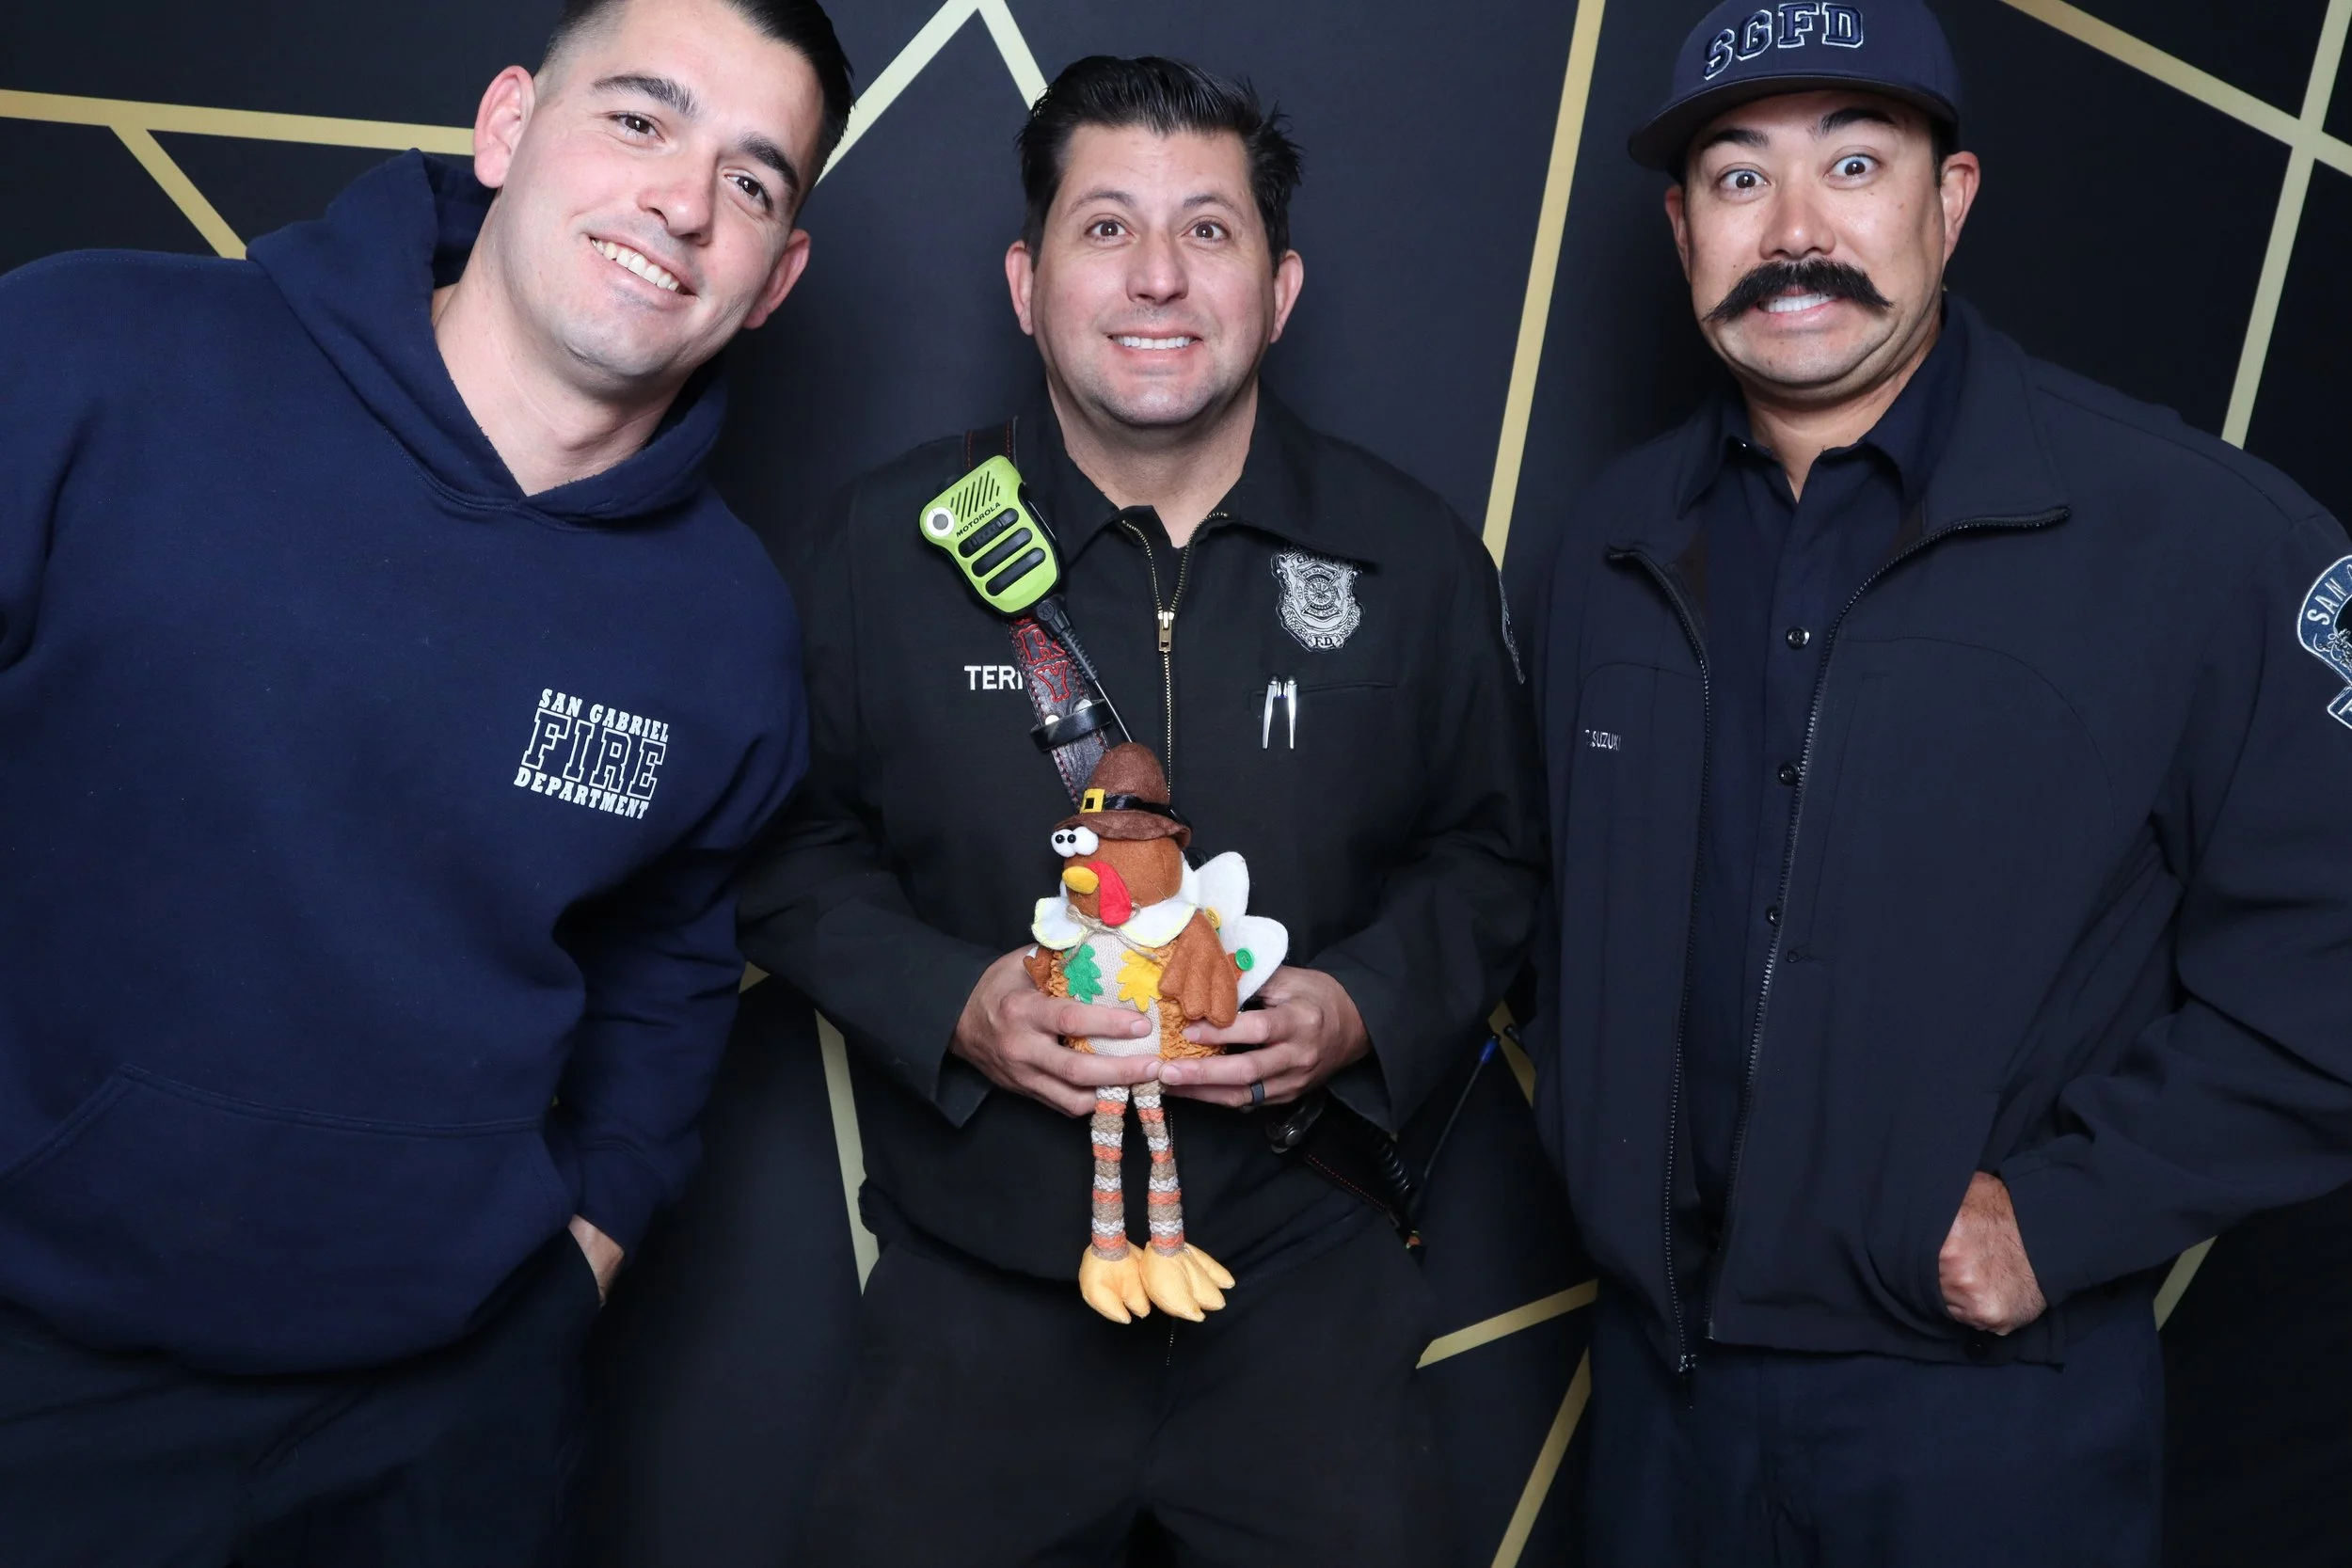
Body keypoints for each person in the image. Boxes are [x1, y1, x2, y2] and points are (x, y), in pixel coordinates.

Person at [0, 0, 846, 1560]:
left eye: (752, 181)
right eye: (642, 120)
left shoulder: (729, 630)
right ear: (510, 126)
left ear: (776, 275)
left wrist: (582, 1252)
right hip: (46, 1375)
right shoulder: (88, 356)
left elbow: (668, 967)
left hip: (452, 1418)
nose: (681, 201)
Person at [1523, 1, 2352, 1562]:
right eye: (1739, 177)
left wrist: (2070, 1213)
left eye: (1854, 161)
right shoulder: (1608, 546)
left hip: (1980, 1422)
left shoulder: (2192, 540)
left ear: (1949, 200)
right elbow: (1554, 910)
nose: (1797, 232)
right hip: (1659, 1406)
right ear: (1680, 227)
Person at [739, 54, 1543, 1568]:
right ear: (1025, 281)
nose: (1159, 278)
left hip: (1311, 1295)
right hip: (975, 1303)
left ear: (1282, 287)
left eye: (1211, 232)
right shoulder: (879, 548)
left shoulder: (1413, 557)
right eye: (1105, 228)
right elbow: (785, 848)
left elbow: (1494, 857)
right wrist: (956, 1001)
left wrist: (1361, 1005)